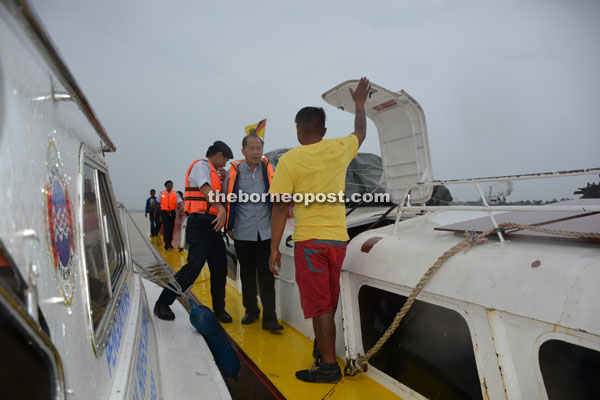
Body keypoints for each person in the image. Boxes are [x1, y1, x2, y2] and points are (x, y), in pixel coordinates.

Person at [268, 77, 371, 383]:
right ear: (324, 131)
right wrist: (360, 105)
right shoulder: (339, 148)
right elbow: (361, 132)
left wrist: (273, 248)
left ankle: (328, 367)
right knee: (329, 301)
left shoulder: (290, 159)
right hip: (339, 241)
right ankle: (321, 350)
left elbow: (279, 207)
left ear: (298, 130)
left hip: (310, 244)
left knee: (319, 307)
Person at [154, 140, 234, 323]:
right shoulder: (201, 166)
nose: (225, 164)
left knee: (220, 268)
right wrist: (221, 208)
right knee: (194, 266)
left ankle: (219, 309)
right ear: (219, 155)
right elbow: (205, 190)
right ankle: (163, 303)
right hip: (199, 225)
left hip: (213, 226)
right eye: (225, 160)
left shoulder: (215, 172)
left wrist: (222, 181)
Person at [224, 133, 283, 331]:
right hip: (243, 232)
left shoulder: (269, 169)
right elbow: (226, 200)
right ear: (243, 151)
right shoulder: (234, 172)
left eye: (259, 148)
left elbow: (278, 200)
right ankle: (251, 310)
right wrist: (228, 226)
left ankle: (270, 318)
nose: (256, 152)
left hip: (265, 232)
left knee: (267, 275)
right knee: (247, 274)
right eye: (252, 148)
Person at [159, 180, 182, 250]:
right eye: (168, 185)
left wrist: (178, 211)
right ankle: (166, 242)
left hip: (172, 212)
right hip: (164, 212)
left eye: (170, 185)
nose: (169, 186)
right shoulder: (161, 193)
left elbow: (180, 203)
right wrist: (157, 213)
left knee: (171, 227)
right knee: (165, 227)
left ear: (172, 186)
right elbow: (158, 203)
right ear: (165, 186)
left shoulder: (176, 193)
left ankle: (170, 242)